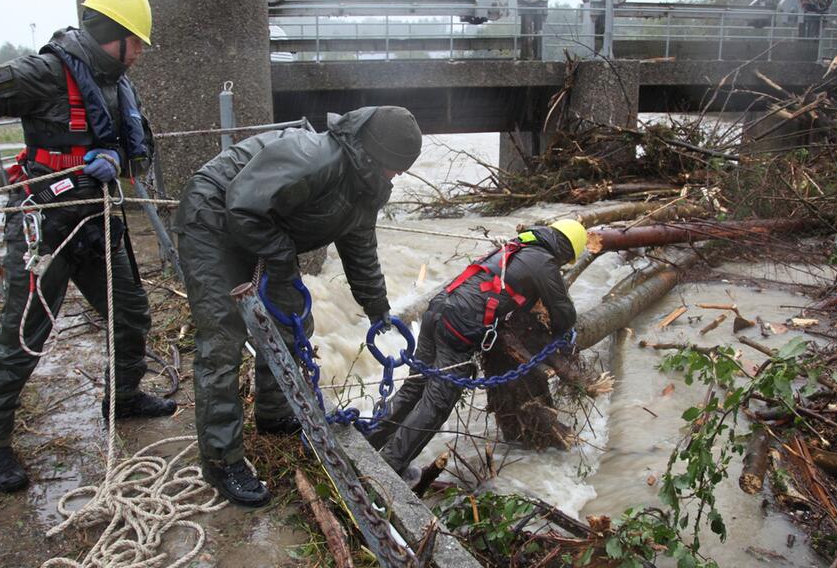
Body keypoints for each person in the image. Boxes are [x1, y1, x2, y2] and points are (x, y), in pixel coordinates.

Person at [0, 0, 176, 493]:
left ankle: (122, 398)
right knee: (23, 337)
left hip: (96, 221)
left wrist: (118, 158)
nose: (140, 52)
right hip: (43, 226)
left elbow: (144, 149)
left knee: (132, 312)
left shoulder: (121, 84)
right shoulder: (45, 73)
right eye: (136, 41)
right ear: (111, 34)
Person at [174, 106, 423, 506]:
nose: (396, 176)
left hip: (261, 224)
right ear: (373, 155)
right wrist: (281, 258)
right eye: (393, 167)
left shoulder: (367, 184)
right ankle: (222, 460)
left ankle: (275, 414)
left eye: (401, 170)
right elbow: (242, 207)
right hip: (215, 214)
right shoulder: (316, 158)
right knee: (223, 337)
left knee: (293, 322)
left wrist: (378, 308)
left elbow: (359, 248)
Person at [365, 220, 587, 477]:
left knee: (414, 388)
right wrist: (563, 334)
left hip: (437, 310)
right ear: (567, 252)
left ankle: (369, 443)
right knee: (436, 403)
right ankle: (388, 468)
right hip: (458, 327)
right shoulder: (543, 262)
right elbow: (564, 313)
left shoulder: (517, 247)